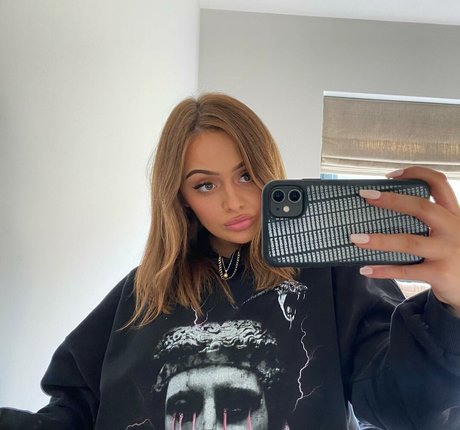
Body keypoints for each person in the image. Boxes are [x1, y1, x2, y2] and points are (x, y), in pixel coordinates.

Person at [1, 93, 459, 430]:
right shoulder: (142, 292)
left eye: (246, 174)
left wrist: (453, 307)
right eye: (205, 184)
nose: (234, 202)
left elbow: (411, 407)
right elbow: (74, 411)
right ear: (181, 197)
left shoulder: (334, 276)